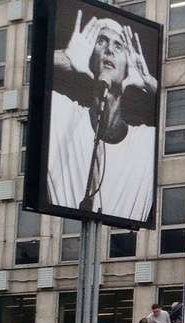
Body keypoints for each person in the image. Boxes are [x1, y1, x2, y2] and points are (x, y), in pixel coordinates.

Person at [49, 10, 158, 221]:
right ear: (91, 56)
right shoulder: (61, 115)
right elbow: (25, 68)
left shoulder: (148, 141)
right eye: (102, 41)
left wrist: (150, 83)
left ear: (128, 68)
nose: (109, 50)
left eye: (119, 46)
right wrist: (67, 59)